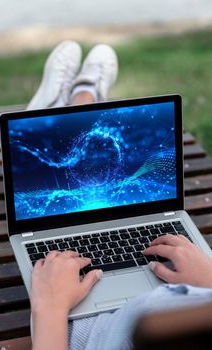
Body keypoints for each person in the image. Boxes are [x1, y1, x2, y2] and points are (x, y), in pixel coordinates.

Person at [28, 41, 212, 350]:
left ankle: (68, 101)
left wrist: (49, 308)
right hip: (193, 288)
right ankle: (80, 97)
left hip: (77, 325)